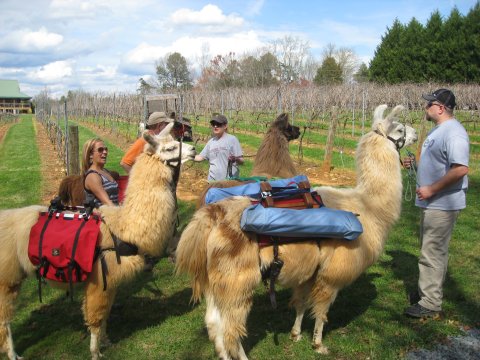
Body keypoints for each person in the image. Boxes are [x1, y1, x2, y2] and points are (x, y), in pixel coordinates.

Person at [403, 89, 469, 318]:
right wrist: (415, 165)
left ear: (440, 107)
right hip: (432, 203)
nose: (425, 107)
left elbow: (460, 168)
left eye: (429, 104)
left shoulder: (454, 133)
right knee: (429, 250)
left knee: (432, 252)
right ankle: (428, 293)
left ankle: (430, 304)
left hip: (442, 203)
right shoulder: (439, 131)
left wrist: (431, 189)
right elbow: (437, 165)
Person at [194, 114, 244, 181]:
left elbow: (242, 161)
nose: (215, 126)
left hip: (229, 182)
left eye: (218, 124)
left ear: (225, 126)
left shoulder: (232, 140)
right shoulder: (211, 142)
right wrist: (184, 155)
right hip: (212, 182)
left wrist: (236, 159)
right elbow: (200, 157)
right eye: (213, 124)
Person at [82, 138, 119, 208]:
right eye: (100, 150)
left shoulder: (105, 171)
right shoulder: (92, 176)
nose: (105, 152)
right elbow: (107, 203)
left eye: (106, 149)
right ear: (90, 155)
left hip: (114, 213)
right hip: (102, 217)